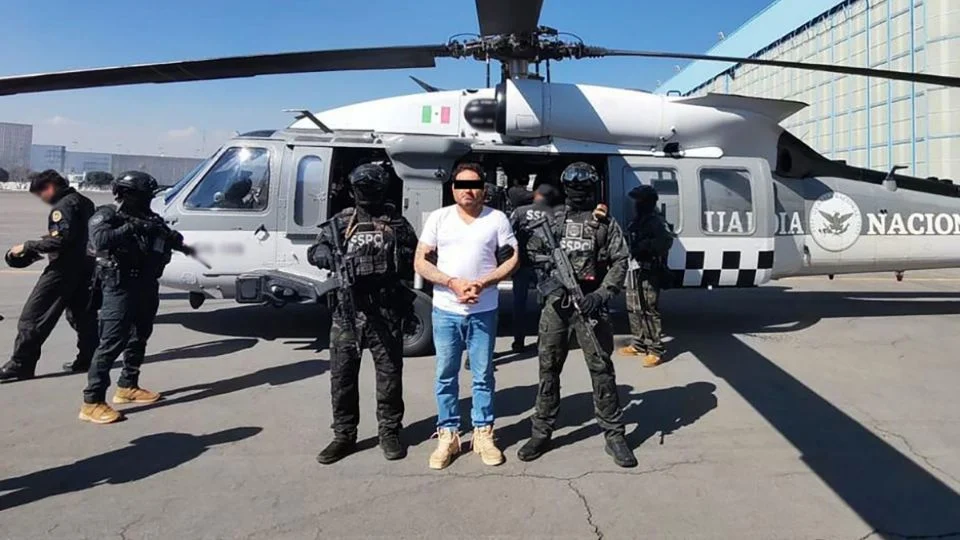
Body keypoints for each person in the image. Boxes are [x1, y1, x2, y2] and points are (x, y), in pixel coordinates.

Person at [517, 161, 637, 468]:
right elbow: (532, 252)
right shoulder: (553, 220)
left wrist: (601, 295)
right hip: (556, 305)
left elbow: (620, 261)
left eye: (585, 188)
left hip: (590, 303)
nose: (579, 193)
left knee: (601, 369)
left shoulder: (604, 223)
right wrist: (549, 272)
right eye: (574, 188)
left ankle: (614, 434)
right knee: (548, 368)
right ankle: (541, 432)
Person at [308, 163, 418, 464]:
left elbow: (415, 255)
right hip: (348, 312)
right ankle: (344, 435)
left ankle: (389, 432)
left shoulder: (396, 222)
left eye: (372, 188)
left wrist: (394, 261)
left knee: (389, 376)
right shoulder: (341, 221)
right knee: (342, 377)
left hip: (385, 308)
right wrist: (322, 254)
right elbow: (315, 250)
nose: (367, 193)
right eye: (363, 188)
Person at [414, 162, 518, 470]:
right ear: (453, 189)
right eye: (461, 185)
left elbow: (512, 259)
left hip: (483, 310)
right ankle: (449, 434)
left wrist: (483, 282)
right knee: (445, 374)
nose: (467, 191)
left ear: (483, 189)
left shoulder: (496, 219)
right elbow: (421, 261)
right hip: (446, 310)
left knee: (483, 375)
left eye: (473, 185)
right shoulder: (439, 218)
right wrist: (452, 283)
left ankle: (483, 432)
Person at [80, 171, 194, 424]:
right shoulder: (108, 214)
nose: (148, 200)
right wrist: (133, 227)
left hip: (145, 284)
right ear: (127, 193)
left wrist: (169, 236)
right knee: (111, 342)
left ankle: (127, 386)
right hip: (119, 286)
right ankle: (92, 401)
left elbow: (174, 241)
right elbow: (100, 239)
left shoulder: (150, 218)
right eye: (144, 195)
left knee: (139, 336)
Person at [0, 170, 98, 382]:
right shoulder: (85, 202)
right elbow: (79, 235)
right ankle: (89, 358)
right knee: (82, 316)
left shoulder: (63, 206)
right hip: (86, 266)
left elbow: (61, 240)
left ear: (50, 188)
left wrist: (28, 246)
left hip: (62, 270)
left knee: (32, 317)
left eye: (40, 194)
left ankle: (20, 364)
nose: (42, 199)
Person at [620, 185, 674, 367]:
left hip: (649, 271)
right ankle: (639, 343)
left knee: (649, 309)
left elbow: (666, 241)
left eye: (639, 200)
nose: (636, 204)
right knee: (634, 307)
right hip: (635, 269)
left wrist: (646, 246)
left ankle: (655, 349)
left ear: (648, 202)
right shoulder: (638, 220)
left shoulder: (656, 221)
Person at [508, 183, 561, 351]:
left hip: (523, 263)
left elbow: (508, 233)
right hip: (545, 264)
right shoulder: (554, 213)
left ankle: (518, 341)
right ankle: (543, 340)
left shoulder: (520, 211)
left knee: (519, 304)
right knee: (545, 305)